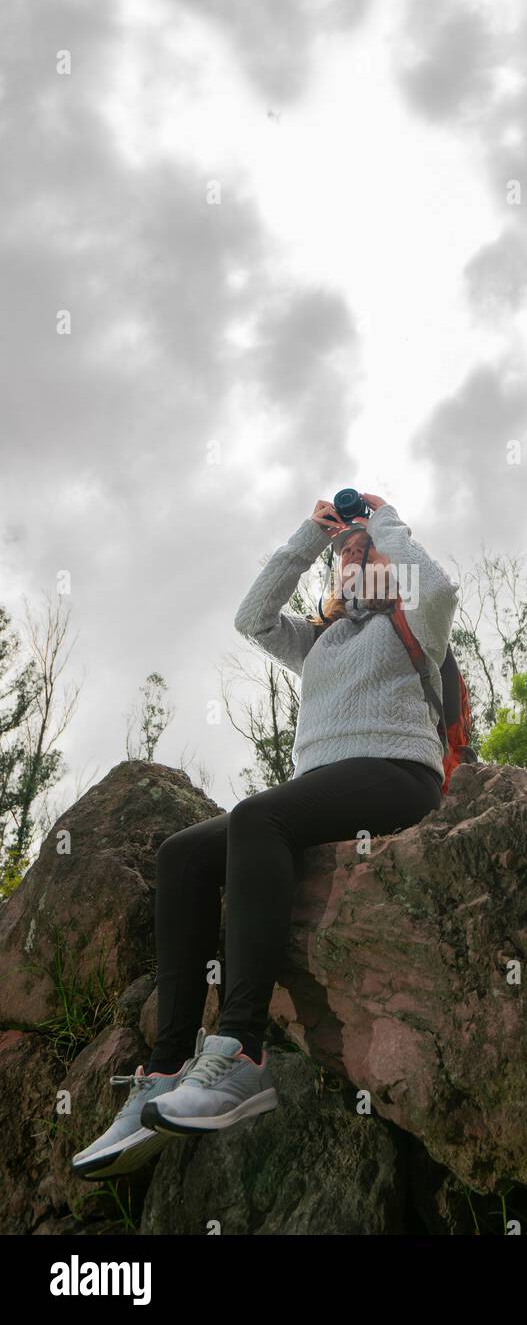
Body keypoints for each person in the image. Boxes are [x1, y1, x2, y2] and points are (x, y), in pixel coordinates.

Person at [71, 492, 459, 1179]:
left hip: (397, 775)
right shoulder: (319, 642)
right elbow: (250, 617)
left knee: (257, 815)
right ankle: (163, 1074)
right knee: (182, 854)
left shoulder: (416, 623)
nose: (353, 557)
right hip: (323, 793)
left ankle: (241, 1053)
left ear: (388, 564)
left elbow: (440, 583)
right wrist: (313, 534)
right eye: (345, 555)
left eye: (363, 551)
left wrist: (383, 521)